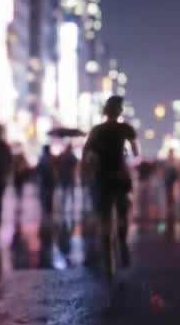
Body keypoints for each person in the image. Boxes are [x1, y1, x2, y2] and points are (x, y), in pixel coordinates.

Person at [82, 96, 139, 280]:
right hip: (120, 178)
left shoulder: (97, 130)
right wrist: (128, 148)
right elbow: (136, 151)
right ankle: (122, 242)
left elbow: (86, 153)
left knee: (105, 220)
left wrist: (86, 173)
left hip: (102, 179)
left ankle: (109, 264)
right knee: (122, 214)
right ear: (119, 111)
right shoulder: (124, 128)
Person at [56, 143, 80, 218]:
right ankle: (71, 204)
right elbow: (76, 163)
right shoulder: (71, 155)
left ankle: (63, 204)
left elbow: (58, 164)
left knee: (64, 190)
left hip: (63, 176)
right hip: (69, 176)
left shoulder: (63, 155)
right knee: (71, 190)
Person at [36, 144, 57, 219]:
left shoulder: (41, 158)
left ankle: (45, 208)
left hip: (44, 179)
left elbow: (38, 169)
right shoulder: (52, 158)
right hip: (50, 180)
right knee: (49, 194)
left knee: (44, 193)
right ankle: (48, 208)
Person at [161, 149, 180, 218]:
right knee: (168, 194)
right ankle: (168, 209)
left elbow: (177, 173)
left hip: (172, 182)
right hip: (167, 181)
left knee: (171, 194)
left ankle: (170, 208)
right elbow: (163, 172)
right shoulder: (167, 162)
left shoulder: (174, 162)